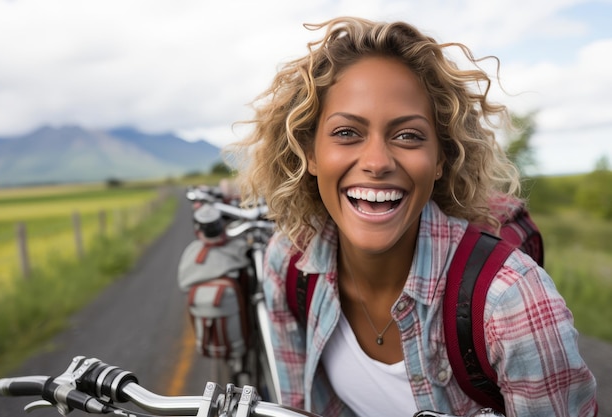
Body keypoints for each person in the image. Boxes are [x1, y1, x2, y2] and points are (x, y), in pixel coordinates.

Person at [227, 16, 597, 417]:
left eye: (408, 136)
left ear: (440, 159)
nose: (376, 162)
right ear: (311, 153)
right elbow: (298, 407)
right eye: (347, 133)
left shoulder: (511, 302)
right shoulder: (290, 261)